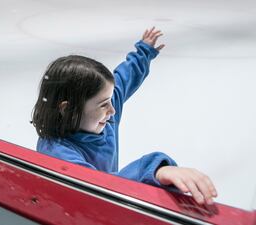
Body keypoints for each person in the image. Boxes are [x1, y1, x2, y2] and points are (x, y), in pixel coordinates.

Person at [32, 27, 217, 205]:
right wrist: (153, 169)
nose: (112, 110)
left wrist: (143, 52)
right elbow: (96, 187)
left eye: (110, 100)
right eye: (104, 104)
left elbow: (123, 80)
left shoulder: (100, 118)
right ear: (67, 108)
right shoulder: (56, 152)